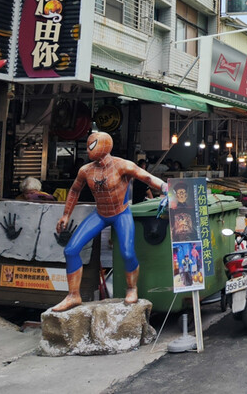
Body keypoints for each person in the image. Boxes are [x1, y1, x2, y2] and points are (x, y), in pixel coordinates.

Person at [52, 132, 168, 312]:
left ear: (105, 146)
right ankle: (73, 295)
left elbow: (146, 177)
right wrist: (66, 214)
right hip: (100, 214)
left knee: (128, 253)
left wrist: (165, 187)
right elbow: (74, 190)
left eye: (93, 144)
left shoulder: (122, 165)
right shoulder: (86, 170)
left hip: (121, 213)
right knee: (71, 250)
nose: (89, 148)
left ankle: (132, 288)